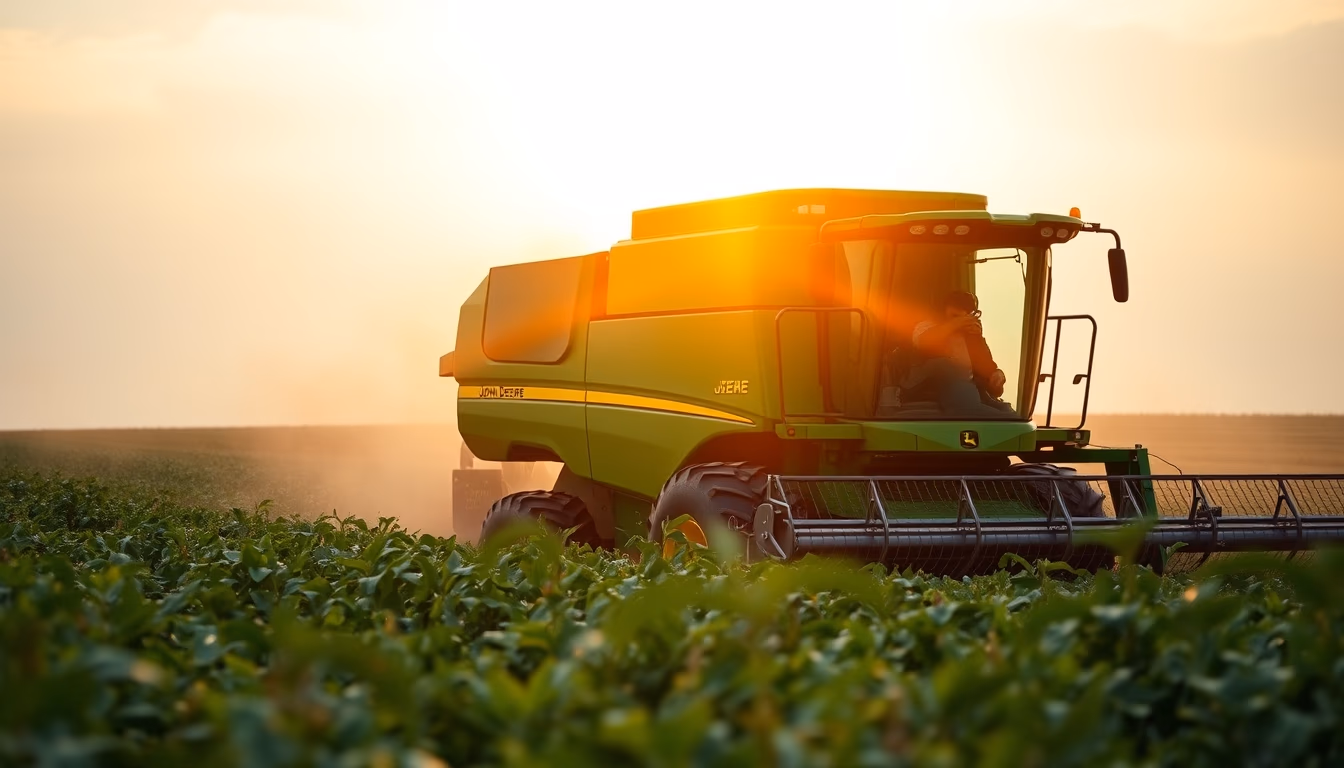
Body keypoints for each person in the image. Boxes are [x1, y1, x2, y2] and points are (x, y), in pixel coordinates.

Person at [904, 290, 1015, 418]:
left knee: (1010, 415)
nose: (961, 322)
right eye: (955, 317)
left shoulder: (972, 336)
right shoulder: (926, 327)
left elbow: (986, 369)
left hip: (972, 391)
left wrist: (995, 375)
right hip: (939, 387)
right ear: (942, 312)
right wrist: (956, 324)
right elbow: (925, 342)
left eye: (965, 317)